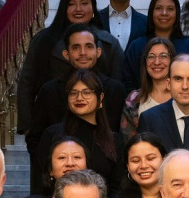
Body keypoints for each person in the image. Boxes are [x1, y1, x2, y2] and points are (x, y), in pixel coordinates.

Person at [18, 0, 125, 139]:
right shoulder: (44, 40)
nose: (78, 9)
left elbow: (117, 87)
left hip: (100, 126)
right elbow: (27, 84)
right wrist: (28, 128)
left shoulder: (109, 43)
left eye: (84, 3)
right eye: (71, 4)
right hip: (53, 123)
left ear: (93, 8)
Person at [28, 23, 126, 167]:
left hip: (106, 171)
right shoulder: (49, 91)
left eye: (89, 46)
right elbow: (35, 139)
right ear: (66, 54)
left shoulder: (115, 90)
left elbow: (118, 135)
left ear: (98, 52)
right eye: (76, 47)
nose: (83, 53)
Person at [36, 69, 123, 195]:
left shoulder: (114, 140)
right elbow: (41, 182)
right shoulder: (52, 135)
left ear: (100, 98)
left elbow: (118, 190)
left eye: (87, 92)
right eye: (73, 93)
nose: (79, 98)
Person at [123, 0, 189, 93]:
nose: (164, 13)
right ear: (151, 12)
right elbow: (127, 81)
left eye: (170, 9)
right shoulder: (137, 45)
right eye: (158, 8)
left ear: (177, 14)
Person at [104, 132, 168, 198]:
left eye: (150, 158)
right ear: (128, 166)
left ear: (164, 159)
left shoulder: (180, 197)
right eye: (135, 160)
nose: (143, 165)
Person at [120, 37, 176, 139]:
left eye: (163, 56)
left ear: (173, 60)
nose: (157, 62)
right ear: (145, 62)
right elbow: (128, 141)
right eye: (151, 56)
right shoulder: (133, 99)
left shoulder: (185, 94)